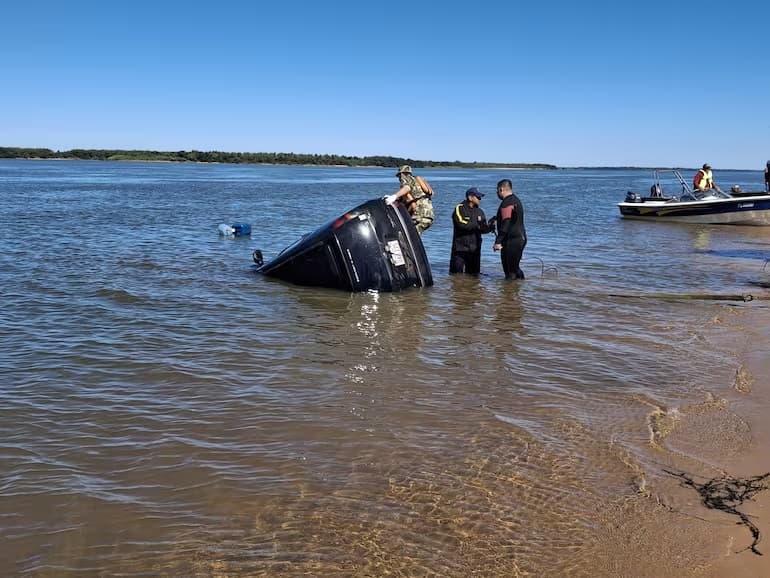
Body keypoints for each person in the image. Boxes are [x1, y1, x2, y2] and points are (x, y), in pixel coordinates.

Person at [450, 187, 494, 275]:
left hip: (475, 250)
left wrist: (489, 227)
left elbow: (482, 229)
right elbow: (462, 224)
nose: (480, 199)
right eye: (478, 197)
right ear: (470, 197)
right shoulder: (460, 208)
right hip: (460, 249)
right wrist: (478, 224)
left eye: (480, 197)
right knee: (455, 277)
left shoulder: (480, 211)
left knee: (474, 276)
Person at [383, 165, 434, 234]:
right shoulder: (417, 180)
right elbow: (431, 193)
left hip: (420, 216)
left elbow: (407, 188)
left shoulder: (406, 179)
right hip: (429, 215)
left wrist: (393, 197)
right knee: (414, 236)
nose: (399, 178)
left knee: (408, 235)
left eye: (399, 176)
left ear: (402, 174)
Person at [492, 179, 527, 280]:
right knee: (514, 268)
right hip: (519, 238)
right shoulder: (515, 200)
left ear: (501, 189)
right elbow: (511, 218)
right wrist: (496, 218)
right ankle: (520, 289)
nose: (496, 193)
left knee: (510, 272)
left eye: (497, 191)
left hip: (513, 241)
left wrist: (498, 242)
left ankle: (508, 294)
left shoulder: (506, 203)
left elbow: (506, 223)